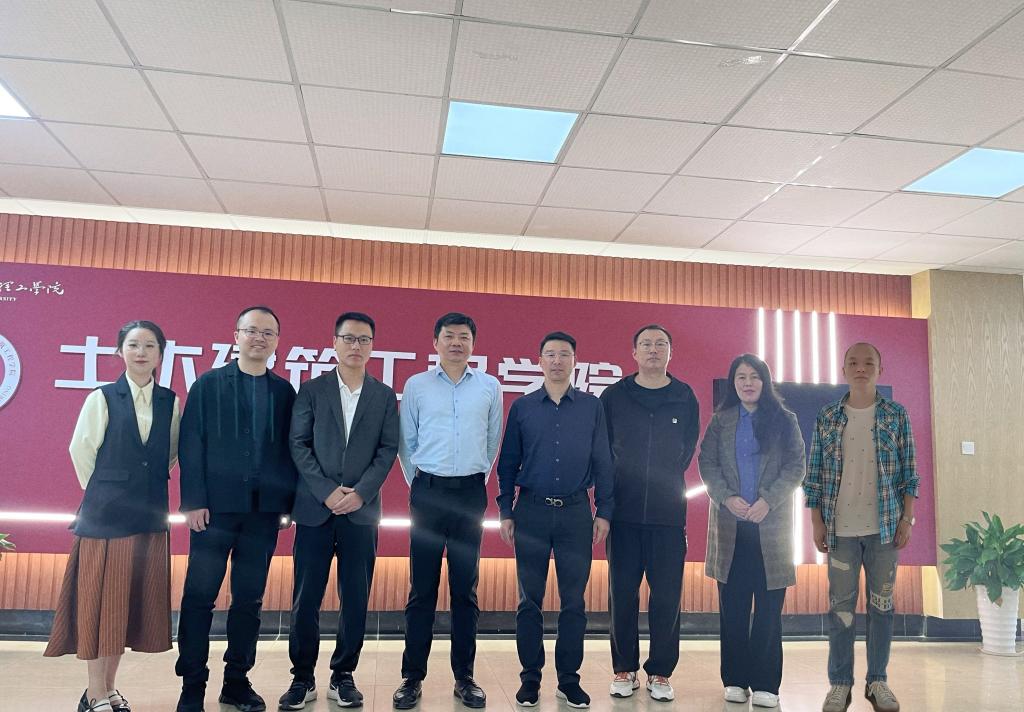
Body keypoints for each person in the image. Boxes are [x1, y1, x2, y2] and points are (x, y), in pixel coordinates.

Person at [45, 320, 181, 712]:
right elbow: (81, 451)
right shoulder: (101, 398)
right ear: (119, 351)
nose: (141, 352)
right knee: (101, 606)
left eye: (150, 346)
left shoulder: (170, 401)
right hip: (106, 520)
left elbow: (169, 454)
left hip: (149, 516)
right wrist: (106, 491)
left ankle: (109, 688)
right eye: (133, 345)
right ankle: (94, 694)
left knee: (125, 607)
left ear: (161, 354)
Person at [175, 306, 299, 712]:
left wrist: (286, 505)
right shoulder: (208, 385)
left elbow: (290, 452)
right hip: (213, 513)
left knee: (249, 601)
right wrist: (193, 501)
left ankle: (236, 681)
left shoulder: (284, 393)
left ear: (277, 341)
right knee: (199, 598)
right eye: (252, 331)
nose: (259, 338)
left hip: (262, 515)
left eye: (268, 333)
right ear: (236, 336)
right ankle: (192, 685)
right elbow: (191, 444)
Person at [279, 312, 399, 710]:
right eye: (348, 338)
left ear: (372, 346)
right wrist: (327, 492)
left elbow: (387, 450)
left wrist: (361, 493)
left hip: (361, 513)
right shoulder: (312, 390)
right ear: (334, 342)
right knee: (306, 597)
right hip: (315, 510)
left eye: (364, 339)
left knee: (356, 597)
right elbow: (298, 445)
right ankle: (302, 677)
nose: (356, 346)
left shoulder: (383, 396)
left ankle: (343, 674)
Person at [497, 331, 614, 710]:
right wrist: (506, 510)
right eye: (550, 354)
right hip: (530, 511)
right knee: (529, 601)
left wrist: (604, 511)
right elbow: (508, 463)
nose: (558, 360)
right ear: (540, 361)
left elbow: (604, 461)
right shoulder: (523, 407)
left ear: (575, 361)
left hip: (576, 513)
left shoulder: (592, 407)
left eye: (565, 354)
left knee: (574, 602)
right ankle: (530, 679)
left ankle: (568, 680)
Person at [392, 312, 502, 710]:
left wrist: (471, 481)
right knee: (421, 589)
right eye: (449, 336)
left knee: (465, 591)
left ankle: (465, 677)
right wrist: (423, 486)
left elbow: (492, 441)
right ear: (435, 342)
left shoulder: (489, 386)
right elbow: (407, 443)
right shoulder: (417, 385)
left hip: (470, 494)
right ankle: (411, 677)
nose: (457, 342)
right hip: (428, 492)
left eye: (464, 337)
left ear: (473, 344)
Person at [805, 342, 918, 712]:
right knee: (840, 609)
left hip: (884, 529)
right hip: (840, 531)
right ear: (843, 370)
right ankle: (840, 684)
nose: (861, 368)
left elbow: (910, 473)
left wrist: (907, 518)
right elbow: (814, 475)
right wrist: (816, 521)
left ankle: (877, 681)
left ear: (880, 370)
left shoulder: (896, 415)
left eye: (869, 363)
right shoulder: (828, 416)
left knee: (882, 607)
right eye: (853, 362)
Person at [698, 354, 806, 709]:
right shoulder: (721, 421)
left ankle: (765, 683)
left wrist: (768, 501)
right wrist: (725, 497)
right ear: (733, 383)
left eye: (754, 377)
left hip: (770, 528)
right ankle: (734, 679)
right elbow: (707, 463)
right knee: (733, 608)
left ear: (765, 381)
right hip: (731, 529)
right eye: (741, 377)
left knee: (769, 611)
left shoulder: (784, 419)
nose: (747, 383)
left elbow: (796, 466)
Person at [599, 324, 699, 702]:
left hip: (668, 514)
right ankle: (623, 668)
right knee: (622, 594)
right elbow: (604, 448)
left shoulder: (683, 396)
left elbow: (687, 449)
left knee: (667, 597)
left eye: (660, 344)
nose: (653, 350)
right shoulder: (614, 396)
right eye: (646, 344)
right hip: (622, 513)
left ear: (670, 352)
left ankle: (660, 671)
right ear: (634, 352)